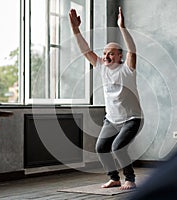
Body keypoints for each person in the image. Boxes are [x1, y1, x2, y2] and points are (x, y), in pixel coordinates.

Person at [69, 7, 143, 190]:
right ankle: (114, 178)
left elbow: (132, 51)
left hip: (132, 119)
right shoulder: (102, 67)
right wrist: (75, 30)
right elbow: (86, 51)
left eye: (111, 53)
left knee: (118, 147)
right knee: (101, 148)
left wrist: (122, 27)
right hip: (111, 119)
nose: (106, 56)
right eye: (104, 53)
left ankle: (130, 179)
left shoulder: (127, 69)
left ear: (119, 56)